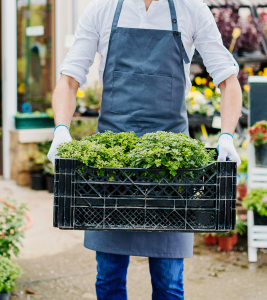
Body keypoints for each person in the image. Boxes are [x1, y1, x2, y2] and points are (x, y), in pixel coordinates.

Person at [47, 0, 242, 298]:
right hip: (111, 169)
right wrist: (61, 129)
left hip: (172, 169)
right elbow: (70, 77)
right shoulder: (102, 10)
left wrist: (227, 135)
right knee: (109, 279)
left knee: (169, 283)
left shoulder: (192, 10)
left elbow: (228, 79)